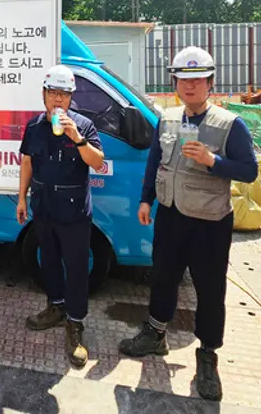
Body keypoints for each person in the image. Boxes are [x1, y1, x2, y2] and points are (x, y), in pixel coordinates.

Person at [119, 46, 257, 402]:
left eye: (197, 80)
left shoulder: (231, 125)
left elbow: (249, 170)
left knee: (210, 291)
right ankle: (155, 333)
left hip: (210, 222)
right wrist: (146, 198)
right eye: (183, 80)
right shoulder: (166, 119)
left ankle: (208, 355)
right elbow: (155, 161)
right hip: (170, 214)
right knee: (162, 276)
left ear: (210, 83)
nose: (190, 86)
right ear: (175, 83)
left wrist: (214, 161)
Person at [16, 64, 105, 369]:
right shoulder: (33, 127)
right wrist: (21, 198)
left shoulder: (85, 126)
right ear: (43, 94)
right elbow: (27, 162)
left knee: (77, 269)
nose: (57, 99)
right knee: (49, 261)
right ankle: (55, 307)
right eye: (52, 93)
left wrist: (77, 137)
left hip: (74, 213)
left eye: (63, 94)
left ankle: (76, 326)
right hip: (43, 208)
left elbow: (98, 162)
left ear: (70, 98)